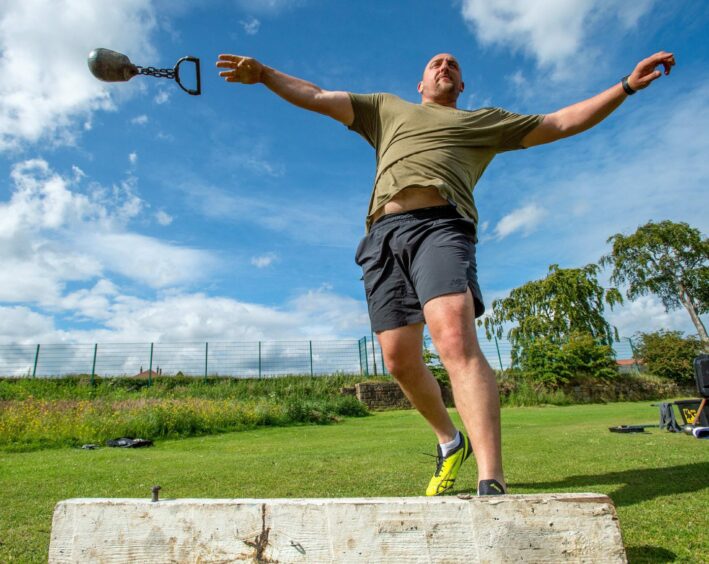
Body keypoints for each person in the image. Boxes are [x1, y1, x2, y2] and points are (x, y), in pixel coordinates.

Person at [217, 50, 675, 496]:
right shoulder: (385, 109)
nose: (445, 66)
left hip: (441, 225)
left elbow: (559, 122)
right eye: (436, 63)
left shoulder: (482, 121)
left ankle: (491, 478)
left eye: (453, 65)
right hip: (381, 237)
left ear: (461, 85)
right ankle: (450, 440)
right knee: (398, 360)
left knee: (454, 339)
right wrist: (264, 74)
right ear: (420, 84)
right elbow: (317, 97)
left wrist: (626, 86)